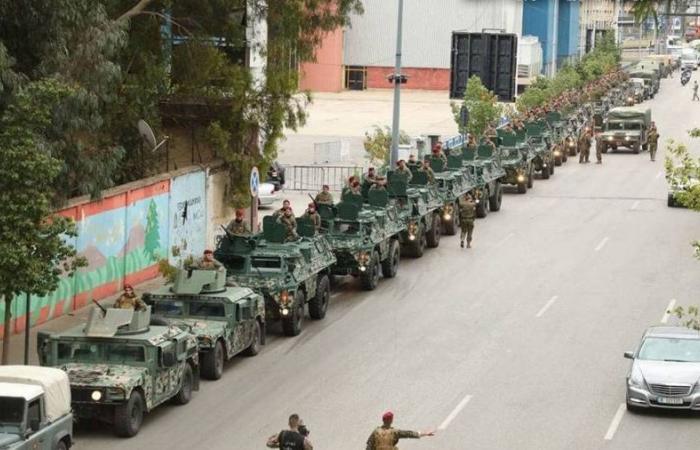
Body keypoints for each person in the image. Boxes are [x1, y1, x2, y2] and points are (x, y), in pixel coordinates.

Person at [365, 411, 434, 450]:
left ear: (383, 420)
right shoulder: (395, 432)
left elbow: (369, 446)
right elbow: (409, 434)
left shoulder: (376, 432)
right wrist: (426, 433)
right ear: (391, 420)